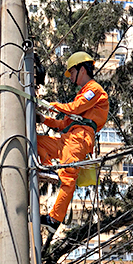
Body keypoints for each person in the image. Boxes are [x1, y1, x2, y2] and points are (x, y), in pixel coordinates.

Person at [37, 51, 109, 233]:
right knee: (36, 142)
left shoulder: (95, 90)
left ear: (82, 69)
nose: (70, 78)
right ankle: (48, 169)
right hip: (68, 138)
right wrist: (43, 119)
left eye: (72, 73)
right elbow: (63, 124)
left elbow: (74, 109)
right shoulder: (83, 94)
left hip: (79, 139)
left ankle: (54, 219)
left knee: (68, 177)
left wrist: (49, 105)